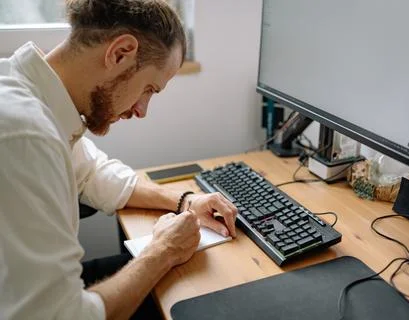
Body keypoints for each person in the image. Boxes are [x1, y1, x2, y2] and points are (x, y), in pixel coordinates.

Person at [0, 0, 237, 319]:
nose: (142, 111)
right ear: (121, 53)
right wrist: (163, 251)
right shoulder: (26, 134)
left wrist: (185, 200)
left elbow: (92, 173)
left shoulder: (36, 97)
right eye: (149, 89)